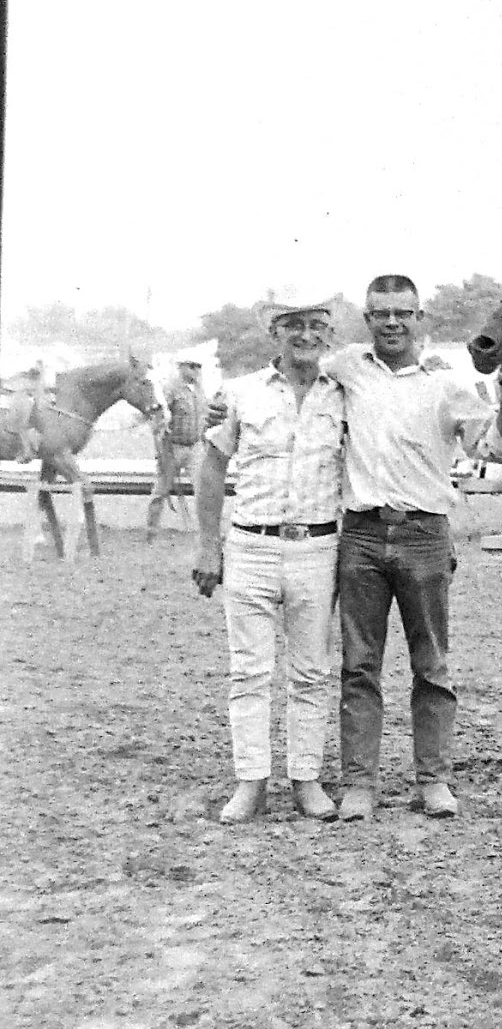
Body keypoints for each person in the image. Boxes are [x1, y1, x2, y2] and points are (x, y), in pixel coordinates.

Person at [323, 276, 502, 822]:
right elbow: (296, 373)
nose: (391, 323)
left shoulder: (448, 384)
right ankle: (359, 784)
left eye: (402, 313)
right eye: (381, 313)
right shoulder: (346, 369)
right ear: (366, 319)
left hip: (425, 534)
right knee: (359, 666)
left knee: (431, 664)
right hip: (360, 533)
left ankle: (434, 780)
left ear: (421, 318)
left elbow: (496, 449)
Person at [194, 297, 345, 824]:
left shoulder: (345, 394)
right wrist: (207, 545)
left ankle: (306, 780)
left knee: (311, 672)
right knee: (249, 671)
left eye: (316, 327)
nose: (305, 336)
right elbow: (211, 467)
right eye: (293, 326)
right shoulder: (238, 394)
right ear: (274, 334)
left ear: (329, 335)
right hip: (251, 545)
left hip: (316, 547)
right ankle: (250, 783)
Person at [148, 358, 207, 539]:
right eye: (192, 366)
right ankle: (151, 531)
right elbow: (158, 416)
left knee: (204, 490)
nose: (196, 370)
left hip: (195, 447)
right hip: (173, 447)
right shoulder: (170, 389)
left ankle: (206, 533)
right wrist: (161, 446)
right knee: (161, 491)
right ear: (181, 368)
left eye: (198, 366)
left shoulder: (200, 389)